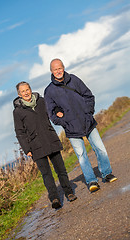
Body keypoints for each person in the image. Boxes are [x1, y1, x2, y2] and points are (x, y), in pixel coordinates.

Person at [44, 59, 117, 193]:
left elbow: (89, 96)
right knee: (82, 156)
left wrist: (88, 113)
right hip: (71, 128)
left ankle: (107, 173)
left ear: (63, 68)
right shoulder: (49, 91)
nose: (58, 71)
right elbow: (51, 114)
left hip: (87, 121)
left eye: (60, 68)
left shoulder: (74, 80)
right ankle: (91, 181)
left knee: (100, 149)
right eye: (55, 69)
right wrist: (64, 121)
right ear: (51, 71)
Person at [13, 81, 77, 209]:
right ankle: (54, 198)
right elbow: (20, 132)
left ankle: (69, 193)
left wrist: (59, 111)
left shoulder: (41, 101)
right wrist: (27, 149)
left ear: (30, 90)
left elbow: (52, 110)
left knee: (61, 170)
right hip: (35, 146)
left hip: (50, 139)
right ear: (19, 95)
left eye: (27, 89)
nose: (26, 93)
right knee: (46, 174)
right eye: (23, 91)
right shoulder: (18, 112)